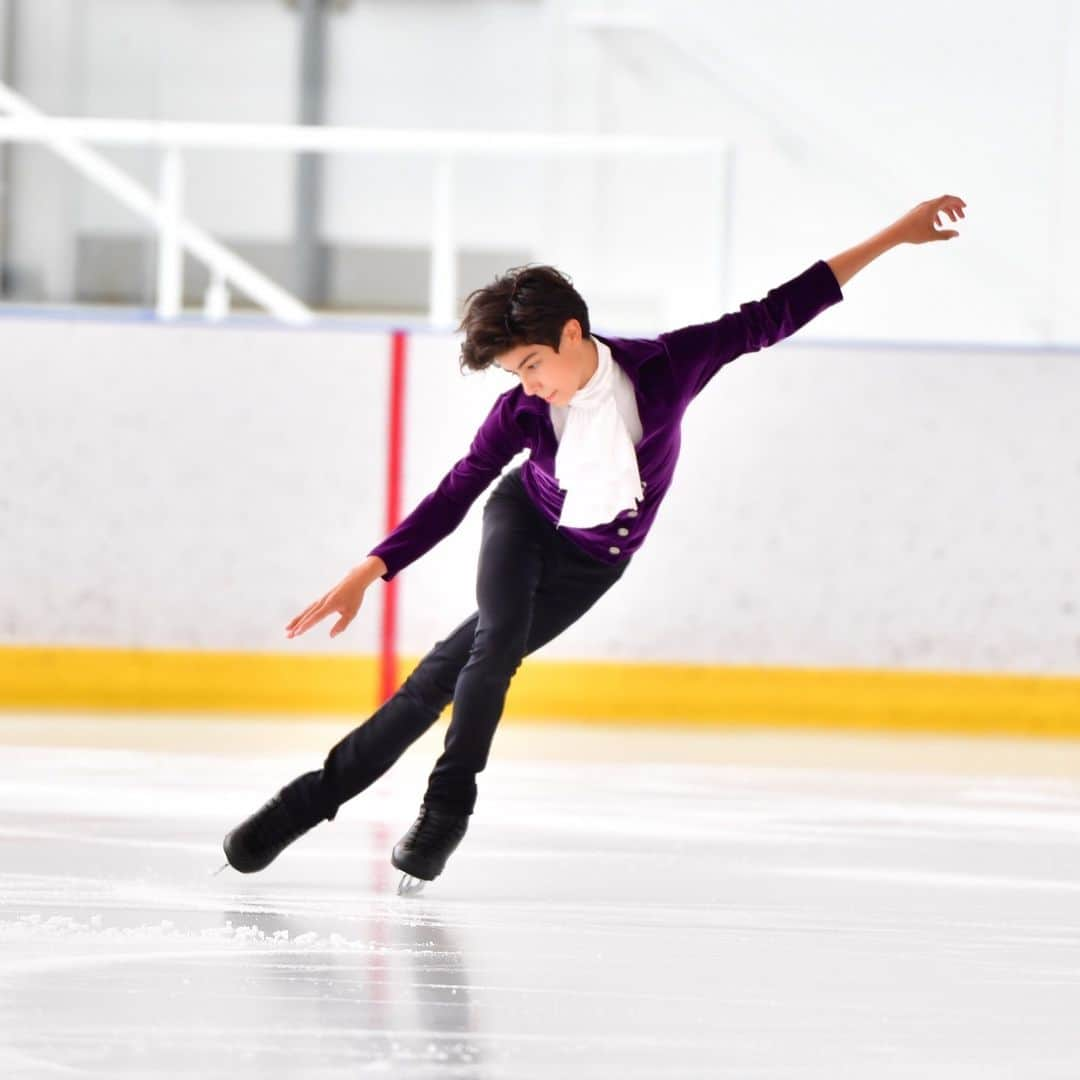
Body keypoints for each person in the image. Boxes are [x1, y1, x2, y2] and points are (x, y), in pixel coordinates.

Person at [222, 195, 966, 895]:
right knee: (493, 646)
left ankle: (305, 808)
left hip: (593, 562)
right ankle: (437, 812)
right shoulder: (519, 415)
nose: (528, 386)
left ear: (572, 333)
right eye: (515, 374)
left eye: (532, 365)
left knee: (442, 677)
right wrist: (371, 567)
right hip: (523, 522)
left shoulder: (668, 366)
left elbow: (775, 313)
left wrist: (897, 234)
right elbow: (460, 489)